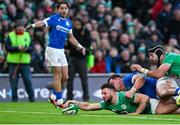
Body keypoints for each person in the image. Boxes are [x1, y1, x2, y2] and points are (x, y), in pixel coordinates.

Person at [25, 1, 85, 108]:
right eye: (61, 8)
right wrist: (33, 25)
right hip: (52, 49)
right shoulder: (53, 18)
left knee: (65, 76)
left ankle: (53, 96)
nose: (64, 10)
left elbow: (71, 38)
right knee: (57, 74)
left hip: (61, 51)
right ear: (58, 10)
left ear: (68, 10)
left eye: (66, 8)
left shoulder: (68, 23)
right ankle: (60, 100)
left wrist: (80, 46)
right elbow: (42, 22)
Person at [107, 73, 180, 114]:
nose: (112, 87)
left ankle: (178, 91)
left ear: (118, 79)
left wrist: (133, 90)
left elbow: (141, 78)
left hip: (161, 83)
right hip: (158, 98)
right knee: (162, 111)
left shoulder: (127, 79)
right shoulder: (122, 93)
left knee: (161, 93)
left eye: (112, 83)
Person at [63, 83, 152, 114]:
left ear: (113, 92)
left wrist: (137, 113)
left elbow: (145, 98)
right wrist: (74, 102)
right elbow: (88, 106)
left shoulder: (125, 96)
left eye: (105, 93)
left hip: (153, 107)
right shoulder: (107, 104)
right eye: (102, 93)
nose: (103, 96)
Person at [5, 20, 34, 102]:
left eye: (22, 26)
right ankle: (14, 100)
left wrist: (25, 49)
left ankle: (32, 99)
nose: (20, 28)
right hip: (13, 63)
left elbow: (32, 48)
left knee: (28, 81)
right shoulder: (10, 36)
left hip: (25, 63)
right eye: (18, 26)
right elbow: (7, 48)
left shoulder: (27, 35)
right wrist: (17, 48)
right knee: (13, 83)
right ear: (15, 28)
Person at [66, 18, 90, 101]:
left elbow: (88, 44)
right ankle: (69, 98)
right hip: (72, 57)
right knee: (69, 80)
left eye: (78, 24)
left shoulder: (86, 32)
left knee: (84, 80)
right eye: (75, 24)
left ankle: (86, 98)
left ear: (81, 25)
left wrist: (80, 47)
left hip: (82, 58)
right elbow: (68, 45)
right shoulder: (71, 32)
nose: (77, 26)